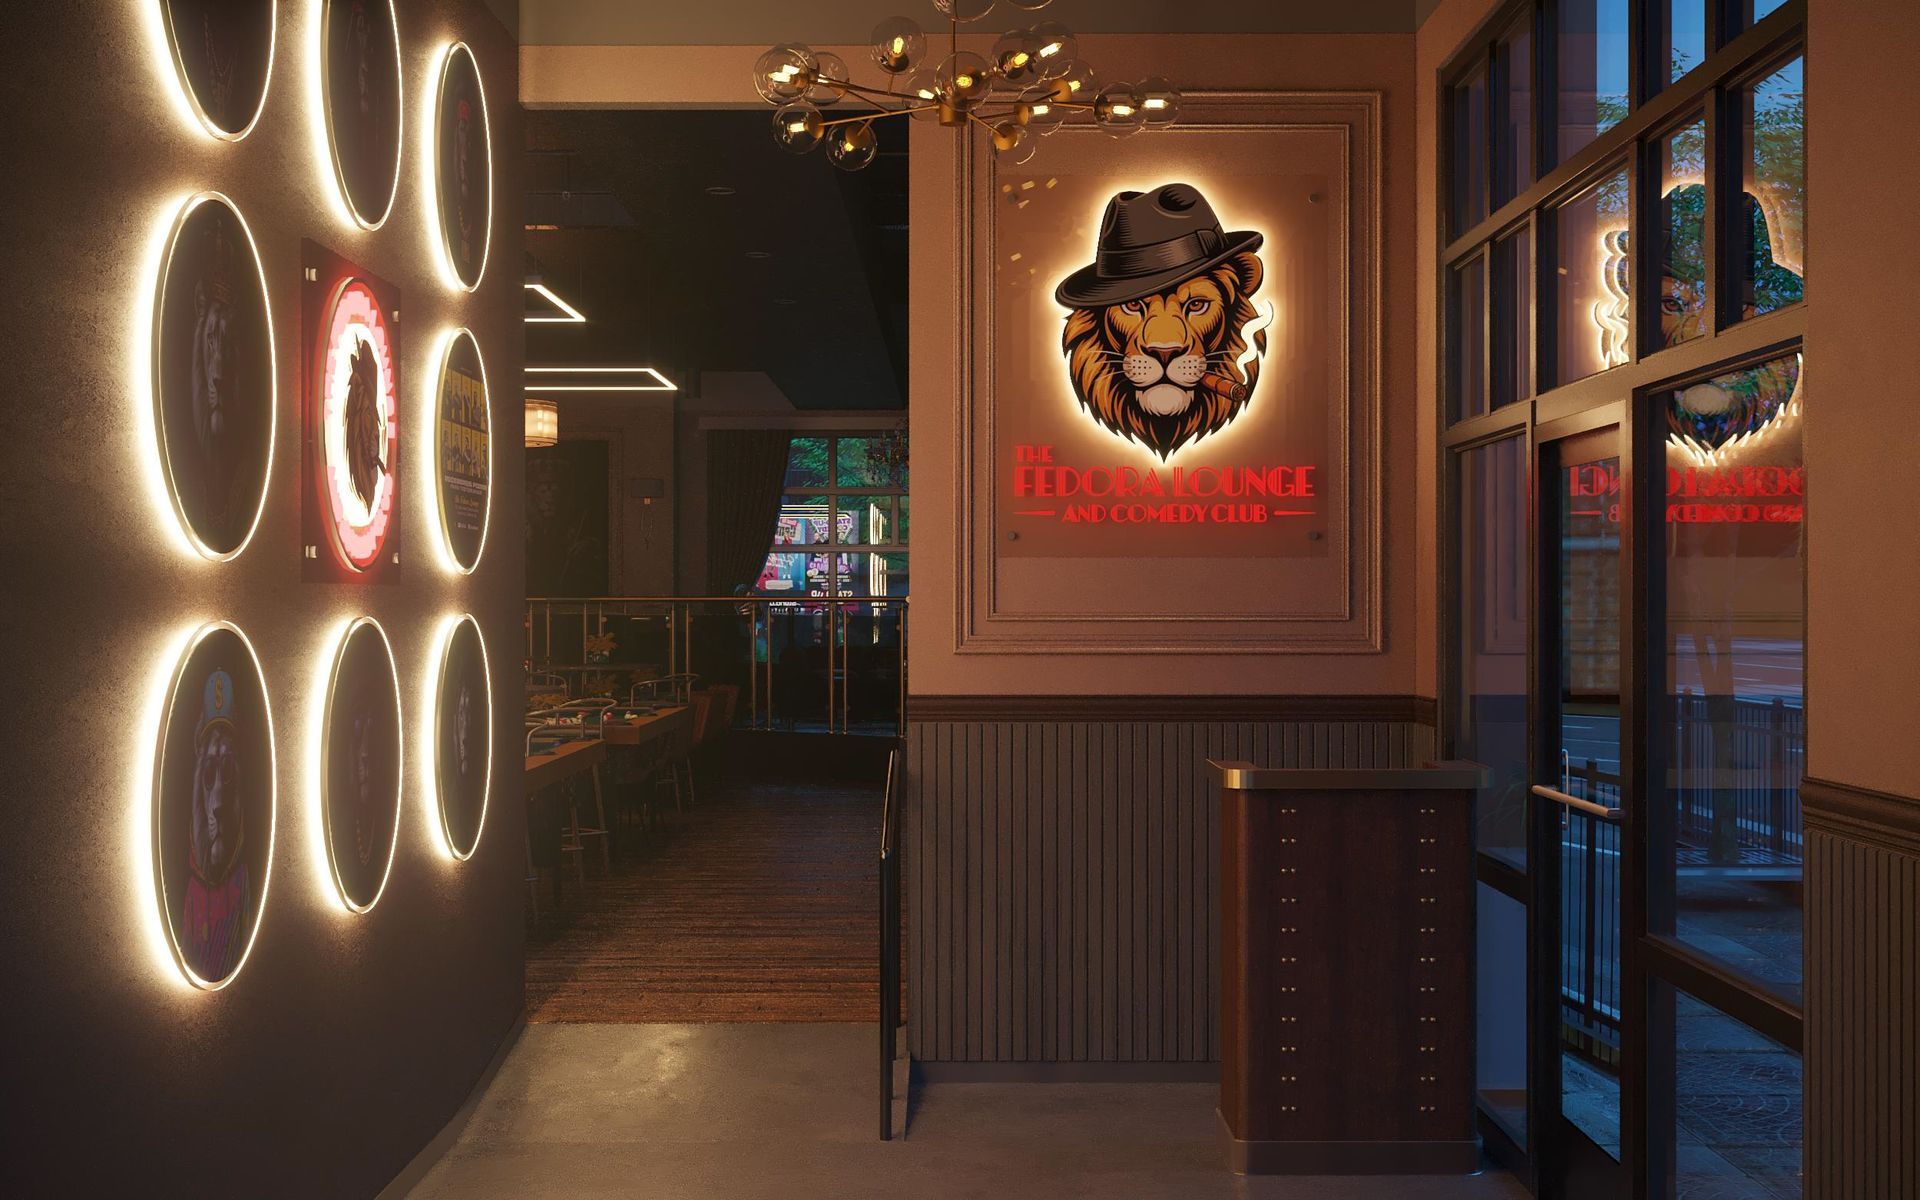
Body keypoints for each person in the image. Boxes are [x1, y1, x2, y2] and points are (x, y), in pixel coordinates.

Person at [182, 668, 250, 981]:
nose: (219, 802)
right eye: (209, 774)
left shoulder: (244, 884)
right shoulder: (191, 897)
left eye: (227, 772)